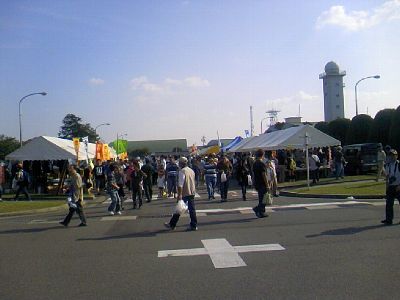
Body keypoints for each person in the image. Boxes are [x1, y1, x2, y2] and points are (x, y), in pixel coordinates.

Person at [164, 157, 198, 231]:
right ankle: (194, 225)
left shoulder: (182, 171)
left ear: (181, 163)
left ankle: (172, 224)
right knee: (192, 209)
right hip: (191, 191)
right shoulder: (191, 170)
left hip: (185, 192)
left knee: (179, 209)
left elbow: (180, 184)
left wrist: (179, 195)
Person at [381, 149, 400, 226]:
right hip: (391, 187)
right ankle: (389, 220)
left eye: (394, 155)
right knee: (389, 204)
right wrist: (387, 186)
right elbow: (387, 176)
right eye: (391, 155)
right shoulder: (388, 165)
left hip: (398, 187)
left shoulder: (399, 164)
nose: (392, 157)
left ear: (397, 156)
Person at [252, 149, 270, 218]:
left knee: (261, 198)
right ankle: (257, 209)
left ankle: (261, 212)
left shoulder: (255, 163)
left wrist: (253, 183)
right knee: (264, 198)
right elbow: (264, 175)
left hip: (257, 182)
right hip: (262, 183)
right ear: (262, 155)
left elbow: (253, 174)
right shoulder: (262, 164)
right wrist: (267, 185)